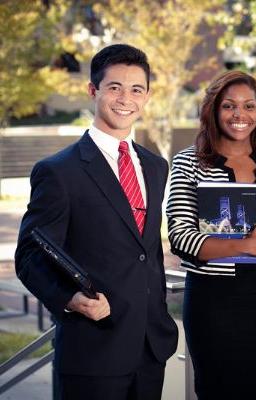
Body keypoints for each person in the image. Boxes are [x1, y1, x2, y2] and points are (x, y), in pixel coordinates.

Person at [15, 44, 178, 400]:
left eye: (137, 89)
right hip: (92, 349)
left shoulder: (155, 167)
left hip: (151, 348)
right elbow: (28, 256)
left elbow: (144, 252)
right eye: (114, 87)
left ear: (147, 96)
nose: (126, 98)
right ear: (93, 90)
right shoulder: (59, 172)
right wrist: (70, 298)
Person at [166, 70, 256, 399]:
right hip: (213, 302)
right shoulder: (188, 164)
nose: (240, 114)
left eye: (248, 106)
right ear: (213, 110)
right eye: (229, 106)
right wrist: (247, 245)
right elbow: (181, 237)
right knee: (219, 389)